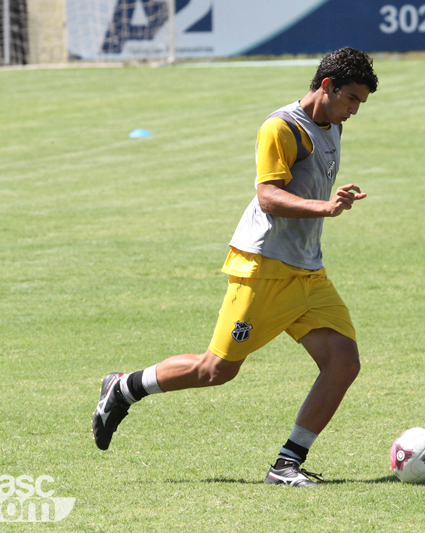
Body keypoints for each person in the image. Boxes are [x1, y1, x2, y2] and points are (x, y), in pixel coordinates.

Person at [91, 47, 379, 487]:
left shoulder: (333, 124)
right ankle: (125, 387)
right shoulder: (281, 128)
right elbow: (268, 196)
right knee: (216, 370)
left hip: (307, 270)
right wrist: (326, 207)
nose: (355, 110)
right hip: (264, 269)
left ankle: (286, 465)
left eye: (361, 102)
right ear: (327, 86)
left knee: (343, 361)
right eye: (351, 98)